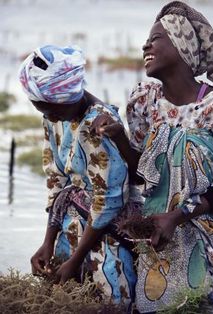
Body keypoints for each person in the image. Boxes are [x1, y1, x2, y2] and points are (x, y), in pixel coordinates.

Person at [91, 1, 213, 312]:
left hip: (211, 238)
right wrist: (119, 137)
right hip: (159, 241)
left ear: (182, 45)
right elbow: (144, 174)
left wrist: (178, 216)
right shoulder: (145, 102)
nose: (145, 44)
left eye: (155, 38)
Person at [18, 45, 142, 310]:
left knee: (109, 298)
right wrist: (48, 242)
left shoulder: (100, 127)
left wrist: (76, 259)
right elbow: (55, 178)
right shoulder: (53, 117)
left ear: (64, 99)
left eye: (49, 110)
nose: (47, 117)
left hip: (108, 230)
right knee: (66, 294)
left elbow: (108, 199)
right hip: (70, 222)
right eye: (41, 111)